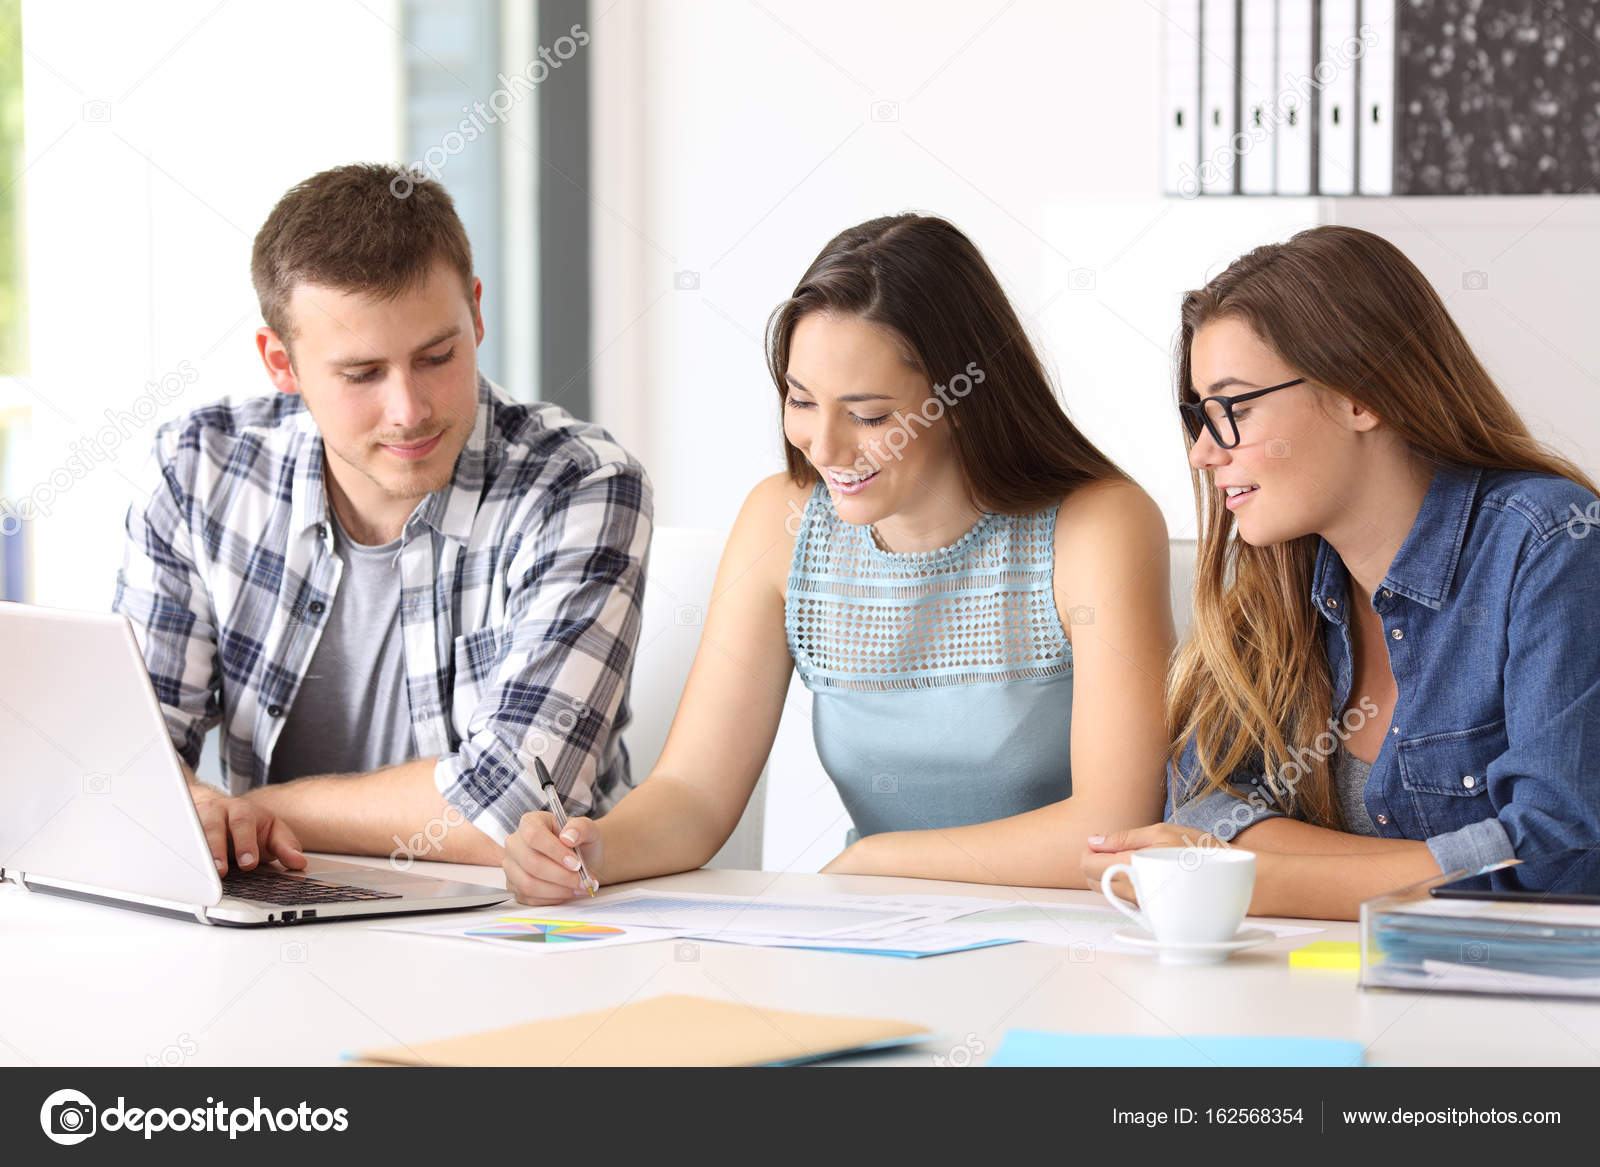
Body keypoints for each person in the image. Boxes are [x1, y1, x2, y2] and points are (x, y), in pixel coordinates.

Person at [504, 213, 1174, 904]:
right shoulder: (783, 523)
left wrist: (880, 860)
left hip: (1075, 944)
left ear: (962, 398)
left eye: (869, 415)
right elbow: (695, 794)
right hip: (877, 937)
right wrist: (592, 847)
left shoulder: (1098, 526)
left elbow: (1115, 827)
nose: (821, 446)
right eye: (801, 400)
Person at [112, 163, 652, 877]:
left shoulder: (580, 485)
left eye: (437, 356)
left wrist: (259, 810)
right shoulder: (200, 468)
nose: (409, 409)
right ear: (282, 362)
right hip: (274, 908)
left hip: (517, 927)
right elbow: (125, 764)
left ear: (477, 313)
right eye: (362, 374)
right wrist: (186, 801)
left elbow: (516, 810)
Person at [1084, 225, 1600, 920]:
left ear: (1360, 395)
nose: (1204, 452)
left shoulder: (1549, 542)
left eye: (1233, 408)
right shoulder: (1280, 576)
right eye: (1198, 415)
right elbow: (1206, 800)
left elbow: (1558, 858)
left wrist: (1245, 879)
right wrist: (1438, 866)